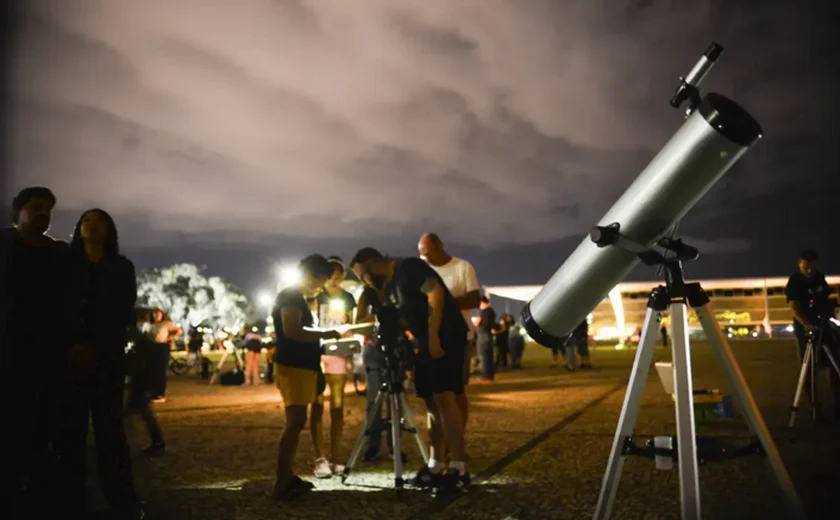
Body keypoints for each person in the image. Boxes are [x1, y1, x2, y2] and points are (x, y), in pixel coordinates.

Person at [350, 247, 470, 495]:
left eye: (363, 274)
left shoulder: (408, 268)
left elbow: (435, 294)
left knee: (445, 398)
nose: (364, 280)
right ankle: (436, 464)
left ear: (372, 263)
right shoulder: (391, 285)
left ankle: (459, 468)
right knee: (431, 402)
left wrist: (435, 337)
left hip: (445, 336)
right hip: (424, 342)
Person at [58, 208, 143, 519]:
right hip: (69, 359)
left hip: (106, 359)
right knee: (71, 433)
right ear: (79, 228)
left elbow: (122, 311)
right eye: (87, 220)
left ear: (110, 230)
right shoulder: (65, 264)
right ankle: (72, 500)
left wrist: (97, 346)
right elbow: (58, 308)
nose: (92, 226)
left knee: (111, 434)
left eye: (100, 221)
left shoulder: (121, 267)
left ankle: (122, 501)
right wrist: (73, 345)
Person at [2, 187, 71, 518]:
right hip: (9, 355)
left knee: (45, 432)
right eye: (36, 207)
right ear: (19, 211)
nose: (44, 213)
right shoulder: (3, 245)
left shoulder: (59, 254)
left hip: (49, 359)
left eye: (49, 209)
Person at [271, 254, 342, 500]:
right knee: (294, 423)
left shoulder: (294, 296)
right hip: (294, 367)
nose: (320, 287)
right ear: (311, 276)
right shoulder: (291, 296)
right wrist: (326, 334)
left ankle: (286, 478)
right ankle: (282, 481)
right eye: (320, 281)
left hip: (300, 366)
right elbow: (292, 331)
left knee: (296, 422)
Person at [417, 233, 480, 449]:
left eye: (427, 253)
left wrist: (443, 302)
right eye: (421, 255)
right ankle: (439, 445)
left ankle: (456, 440)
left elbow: (474, 298)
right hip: (431, 337)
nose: (425, 259)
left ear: (439, 247)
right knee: (434, 394)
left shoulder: (463, 267)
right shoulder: (422, 270)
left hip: (459, 336)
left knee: (457, 390)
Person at [311, 256, 357, 477]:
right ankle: (320, 458)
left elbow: (351, 323)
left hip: (338, 352)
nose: (334, 281)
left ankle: (335, 457)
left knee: (337, 407)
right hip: (318, 353)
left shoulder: (347, 298)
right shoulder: (317, 296)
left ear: (343, 276)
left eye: (338, 276)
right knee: (317, 405)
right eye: (331, 276)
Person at [784, 249, 840, 421]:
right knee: (809, 369)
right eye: (806, 268)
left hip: (824, 326)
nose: (809, 271)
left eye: (812, 268)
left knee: (834, 365)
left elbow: (825, 297)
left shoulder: (819, 278)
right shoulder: (795, 282)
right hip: (806, 330)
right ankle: (814, 406)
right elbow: (795, 308)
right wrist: (807, 325)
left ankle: (837, 404)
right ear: (800, 264)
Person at [126, 308, 166, 455]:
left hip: (141, 380)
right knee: (139, 412)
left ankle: (154, 441)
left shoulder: (139, 338)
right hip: (141, 380)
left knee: (140, 412)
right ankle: (154, 441)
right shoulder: (139, 337)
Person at [148, 308, 181, 402]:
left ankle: (160, 394)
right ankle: (153, 392)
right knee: (153, 370)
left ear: (162, 315)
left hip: (162, 346)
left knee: (161, 370)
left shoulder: (166, 324)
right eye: (154, 314)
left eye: (158, 314)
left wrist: (169, 337)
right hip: (153, 347)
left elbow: (178, 331)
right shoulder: (153, 325)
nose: (156, 316)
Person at [474, 296, 496, 382]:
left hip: (483, 336)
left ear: (482, 302)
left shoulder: (484, 312)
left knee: (484, 356)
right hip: (488, 336)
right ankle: (489, 375)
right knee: (488, 356)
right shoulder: (491, 311)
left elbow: (477, 323)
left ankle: (486, 376)